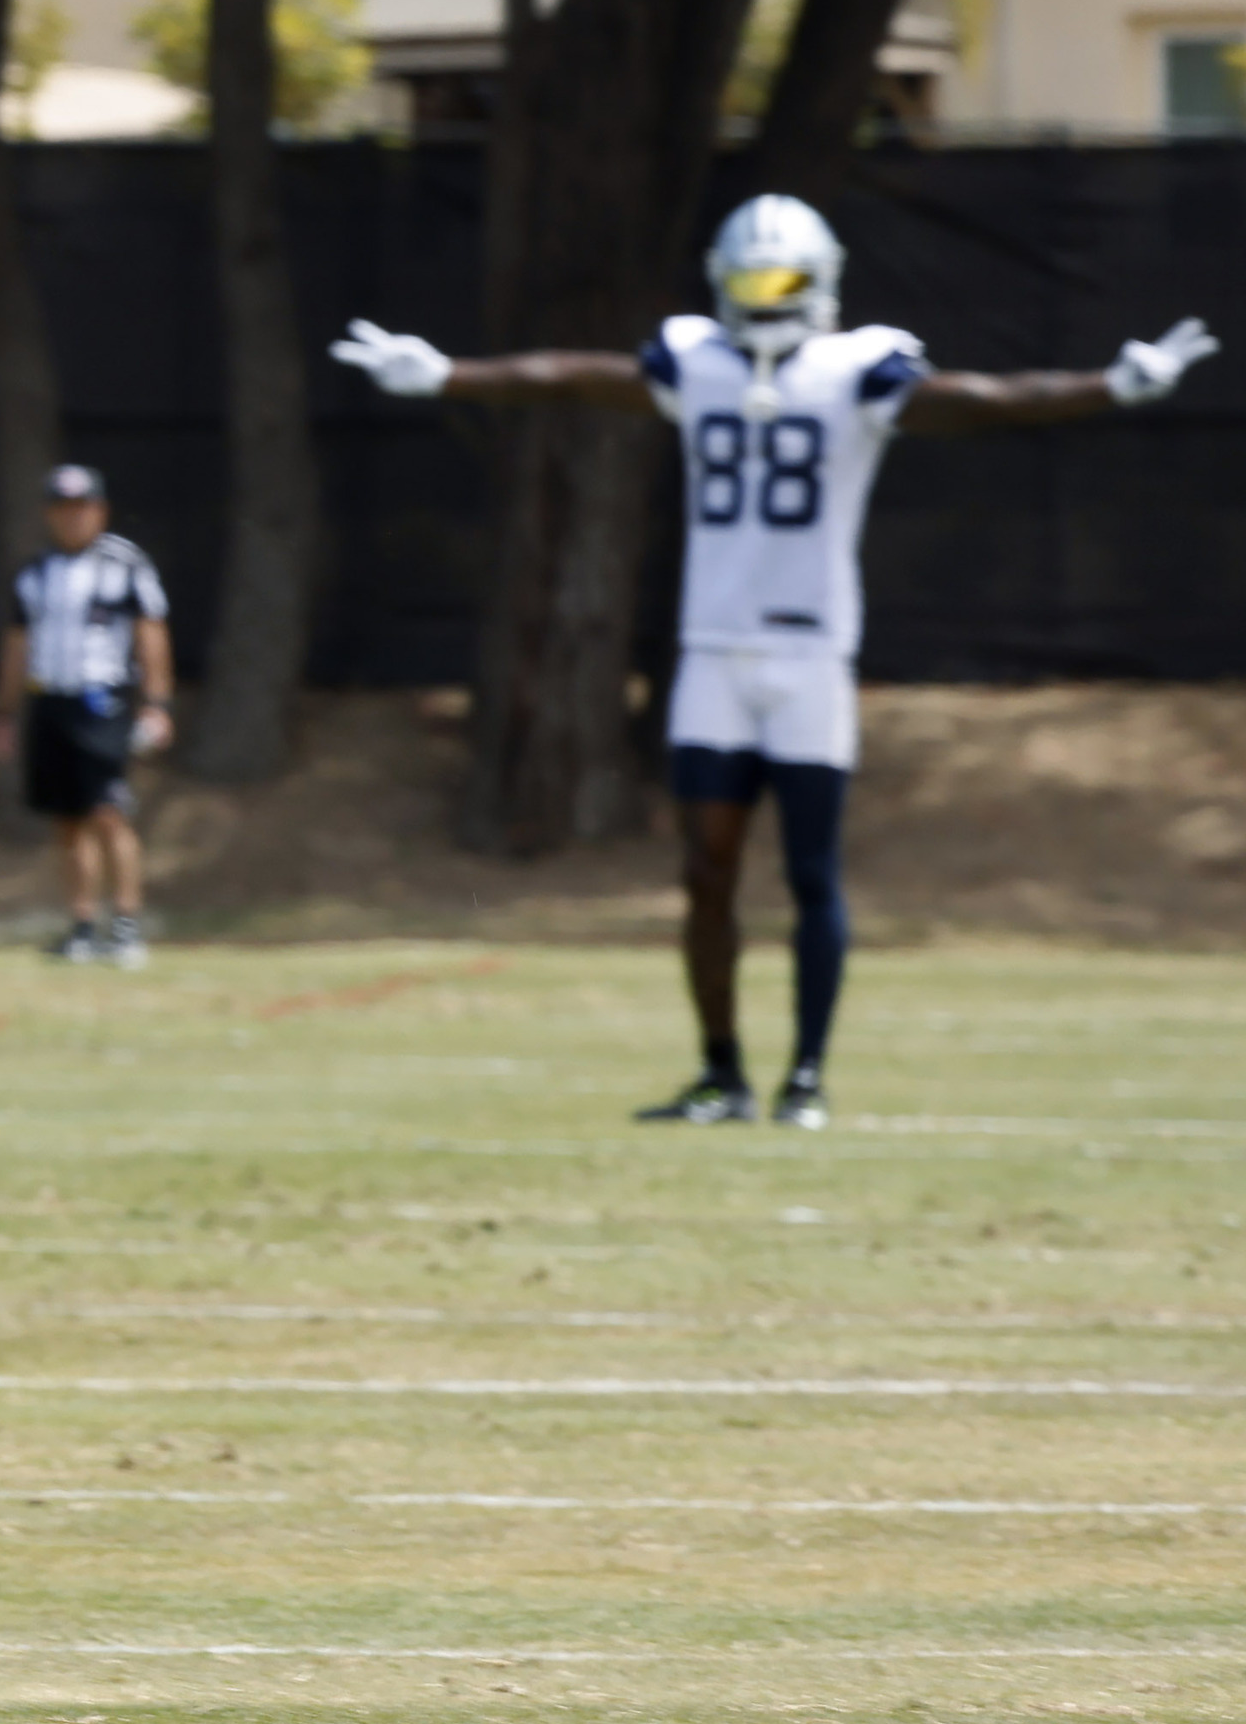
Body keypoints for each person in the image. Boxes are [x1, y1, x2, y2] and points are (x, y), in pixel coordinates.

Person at [333, 193, 1216, 1127]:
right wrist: (447, 377)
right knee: (705, 869)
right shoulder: (695, 360)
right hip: (714, 653)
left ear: (821, 282)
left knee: (810, 872)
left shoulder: (858, 367)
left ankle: (806, 1078)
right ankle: (722, 1073)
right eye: (751, 280)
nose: (765, 296)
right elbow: (574, 378)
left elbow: (977, 402)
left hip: (810, 655)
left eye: (782, 279)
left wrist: (1108, 385)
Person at [0, 464, 173, 969]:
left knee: (108, 812)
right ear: (50, 515)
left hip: (103, 702)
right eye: (63, 509)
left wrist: (158, 702)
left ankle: (126, 925)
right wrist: (5, 711)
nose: (73, 519)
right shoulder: (35, 573)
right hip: (50, 699)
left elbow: (151, 632)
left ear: (100, 511)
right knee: (67, 820)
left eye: (82, 508)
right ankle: (81, 926)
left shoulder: (125, 564)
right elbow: (16, 643)